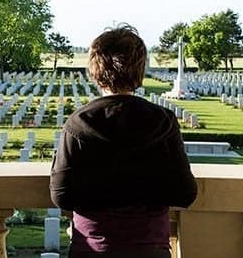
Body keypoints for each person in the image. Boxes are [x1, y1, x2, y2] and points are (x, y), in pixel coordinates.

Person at [50, 25, 197, 258]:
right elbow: (184, 193)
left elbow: (62, 195)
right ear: (139, 69)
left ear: (95, 70)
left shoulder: (78, 123)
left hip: (93, 248)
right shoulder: (163, 121)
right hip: (150, 248)